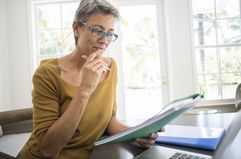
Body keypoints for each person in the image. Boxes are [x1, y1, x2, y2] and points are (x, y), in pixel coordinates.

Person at [18, 0, 160, 158]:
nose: (105, 40)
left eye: (110, 33)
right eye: (97, 30)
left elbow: (108, 120)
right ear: (76, 28)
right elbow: (48, 150)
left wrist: (136, 133)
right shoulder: (47, 73)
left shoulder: (110, 67)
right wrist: (85, 90)